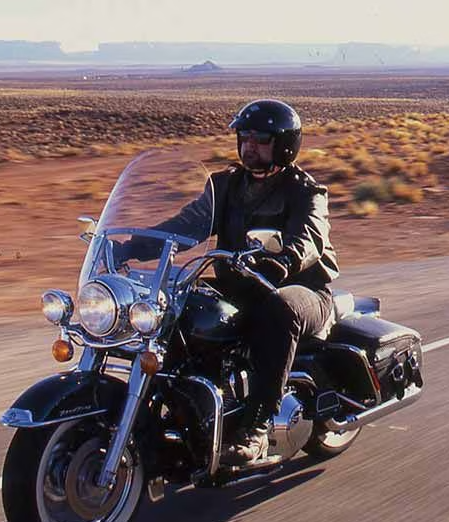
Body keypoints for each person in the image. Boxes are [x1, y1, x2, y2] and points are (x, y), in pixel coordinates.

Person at [118, 99, 339, 466]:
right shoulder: (225, 186)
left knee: (279, 309)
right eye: (245, 137)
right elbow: (184, 226)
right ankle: (182, 405)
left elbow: (310, 239)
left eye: (261, 139)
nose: (249, 145)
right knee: (177, 304)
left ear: (284, 144)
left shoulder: (305, 191)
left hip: (301, 290)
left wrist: (283, 262)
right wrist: (130, 246)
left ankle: (257, 425)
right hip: (240, 287)